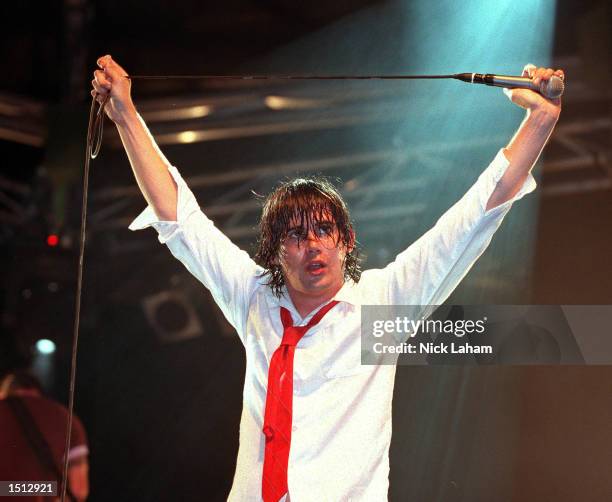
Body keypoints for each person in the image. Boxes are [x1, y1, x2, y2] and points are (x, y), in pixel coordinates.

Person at [91, 55, 562, 501]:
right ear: (275, 254)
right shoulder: (253, 299)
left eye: (323, 230)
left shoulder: (384, 305)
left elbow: (474, 216)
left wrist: (539, 121)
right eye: (295, 235)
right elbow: (180, 218)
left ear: (347, 240)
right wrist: (126, 116)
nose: (313, 243)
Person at [0, 370, 89, 502]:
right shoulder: (66, 418)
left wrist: (5, 489)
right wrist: (50, 489)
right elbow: (78, 488)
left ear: (2, 394)